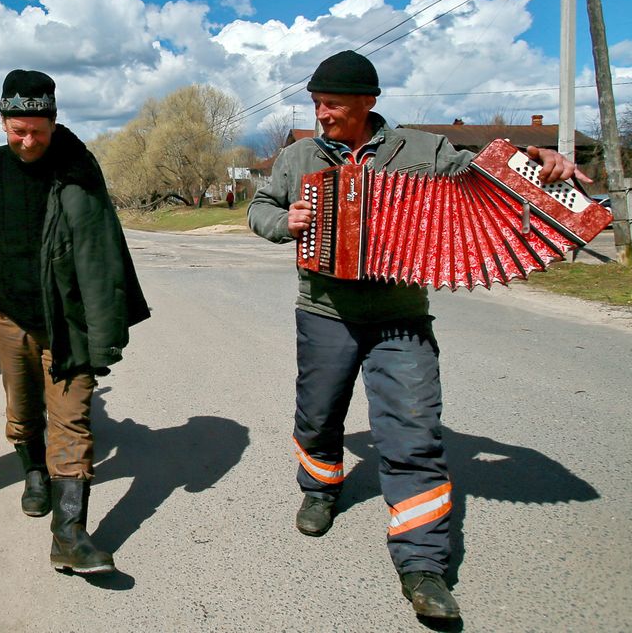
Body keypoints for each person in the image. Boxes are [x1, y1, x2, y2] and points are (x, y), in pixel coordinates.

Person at [247, 50, 582, 622]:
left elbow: (484, 175)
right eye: (317, 103)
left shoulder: (420, 151)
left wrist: (536, 159)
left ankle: (423, 566)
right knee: (320, 413)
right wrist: (286, 223)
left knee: (414, 434)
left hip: (402, 316)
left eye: (333, 104)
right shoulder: (299, 155)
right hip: (324, 311)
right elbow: (260, 208)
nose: (322, 113)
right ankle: (321, 487)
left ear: (369, 102)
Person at [0, 69, 149, 575]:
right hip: (8, 312)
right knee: (23, 407)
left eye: (38, 132)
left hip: (69, 318)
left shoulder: (77, 170)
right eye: (18, 131)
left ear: (53, 122)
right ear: (3, 123)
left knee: (72, 415)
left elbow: (101, 243)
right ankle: (34, 474)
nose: (28, 142)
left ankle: (69, 534)